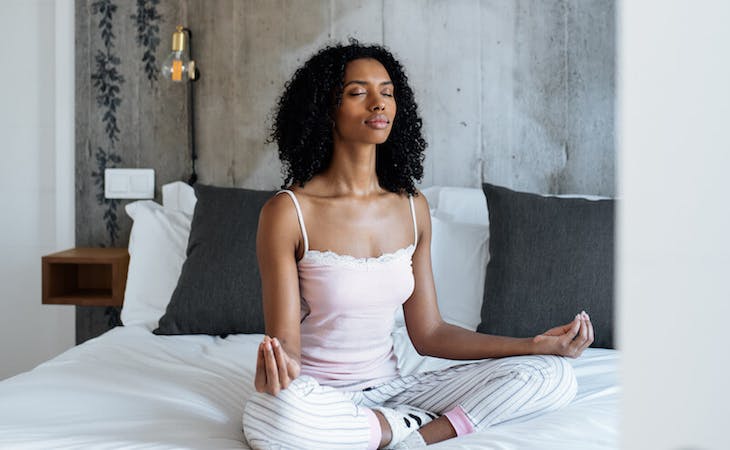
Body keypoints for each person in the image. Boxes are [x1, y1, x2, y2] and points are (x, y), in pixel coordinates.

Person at [242, 41, 594, 450]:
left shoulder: (412, 207)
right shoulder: (287, 212)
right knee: (272, 415)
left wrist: (533, 345)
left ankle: (416, 436)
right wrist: (278, 373)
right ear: (326, 110)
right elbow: (287, 348)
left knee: (553, 375)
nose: (378, 103)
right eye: (358, 92)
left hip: (395, 392)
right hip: (319, 396)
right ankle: (394, 428)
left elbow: (429, 333)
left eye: (387, 92)